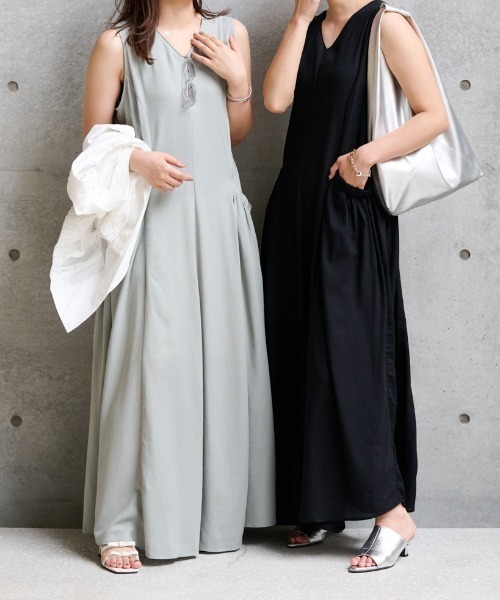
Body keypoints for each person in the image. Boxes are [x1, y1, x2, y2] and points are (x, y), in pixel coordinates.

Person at [81, 0, 275, 573]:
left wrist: (239, 83)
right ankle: (122, 524)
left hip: (217, 219)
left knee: (219, 365)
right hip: (154, 223)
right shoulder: (117, 45)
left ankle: (212, 518)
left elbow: (233, 134)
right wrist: (137, 161)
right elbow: (93, 143)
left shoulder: (231, 33)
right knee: (148, 367)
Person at [261, 0, 448, 572]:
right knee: (297, 353)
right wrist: (298, 19)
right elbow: (275, 100)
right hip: (295, 207)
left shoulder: (387, 23)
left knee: (351, 360)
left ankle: (392, 513)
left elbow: (433, 116)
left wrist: (364, 157)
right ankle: (320, 505)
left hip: (351, 207)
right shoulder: (312, 25)